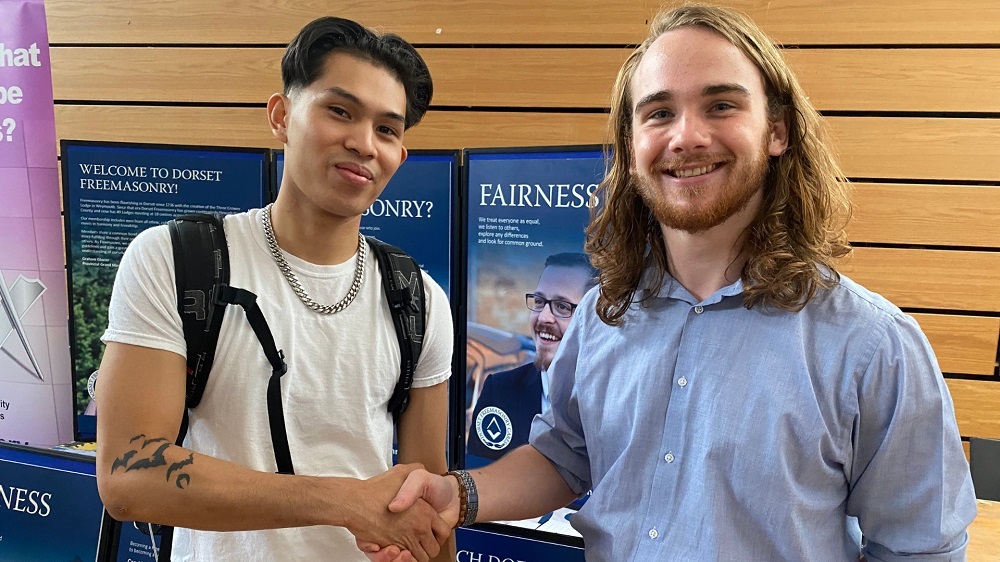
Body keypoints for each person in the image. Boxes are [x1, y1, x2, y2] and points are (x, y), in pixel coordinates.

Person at [364, 4, 977, 561]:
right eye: (659, 112)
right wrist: (459, 496)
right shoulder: (605, 314)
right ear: (631, 148)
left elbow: (920, 549)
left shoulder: (871, 347)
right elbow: (567, 455)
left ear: (778, 131)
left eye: (721, 105)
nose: (686, 136)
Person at [95, 17, 454, 562]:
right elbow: (128, 476)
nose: (363, 143)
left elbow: (427, 501)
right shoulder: (175, 260)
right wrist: (344, 502)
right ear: (281, 116)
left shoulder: (419, 300)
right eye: (340, 111)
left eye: (388, 129)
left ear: (400, 156)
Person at [467, 253, 597, 463]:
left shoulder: (615, 402)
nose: (543, 317)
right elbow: (480, 481)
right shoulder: (499, 392)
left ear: (595, 317)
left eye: (562, 306)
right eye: (539, 302)